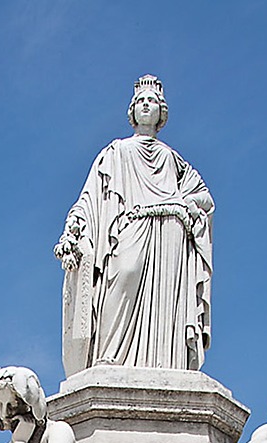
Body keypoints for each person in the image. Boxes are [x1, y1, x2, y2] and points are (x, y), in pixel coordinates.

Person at [54, 75, 213, 375]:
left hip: (169, 233)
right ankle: (110, 354)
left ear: (161, 112)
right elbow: (90, 198)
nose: (145, 106)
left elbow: (202, 197)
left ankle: (167, 360)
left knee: (166, 305)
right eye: (140, 101)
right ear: (132, 111)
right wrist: (74, 229)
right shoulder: (116, 152)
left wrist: (186, 208)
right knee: (123, 275)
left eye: (151, 102)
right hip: (133, 225)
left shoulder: (172, 159)